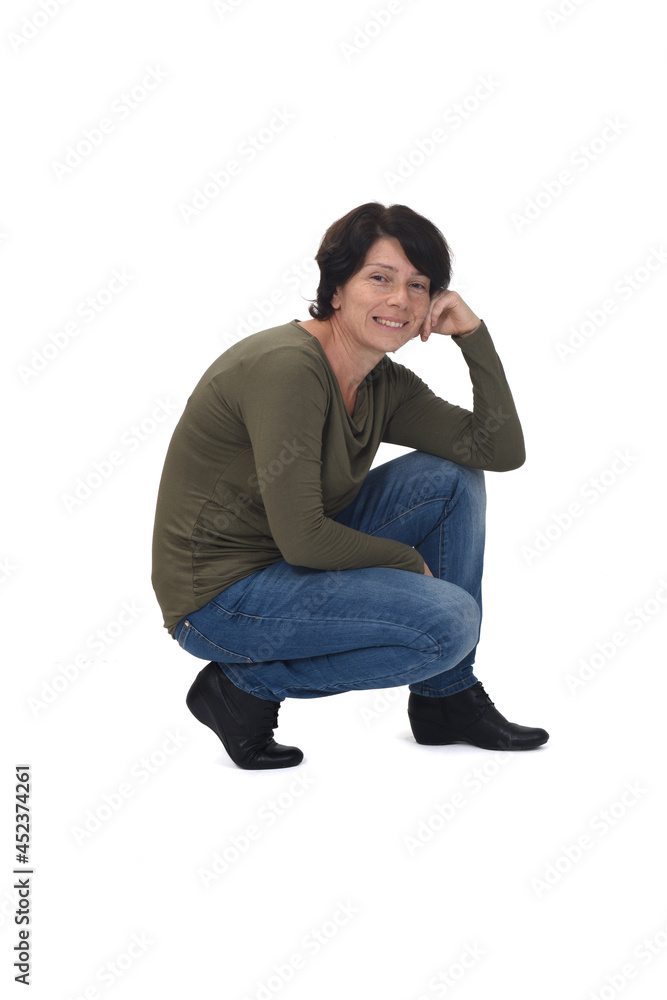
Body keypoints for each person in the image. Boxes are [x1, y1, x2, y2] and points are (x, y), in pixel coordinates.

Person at [151, 201, 549, 770]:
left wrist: (473, 336)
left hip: (287, 559)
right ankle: (241, 687)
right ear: (336, 289)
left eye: (418, 285)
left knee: (451, 478)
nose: (401, 300)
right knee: (449, 622)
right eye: (380, 278)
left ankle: (447, 699)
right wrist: (406, 562)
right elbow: (305, 541)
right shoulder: (288, 368)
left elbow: (499, 451)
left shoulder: (382, 382)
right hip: (221, 599)